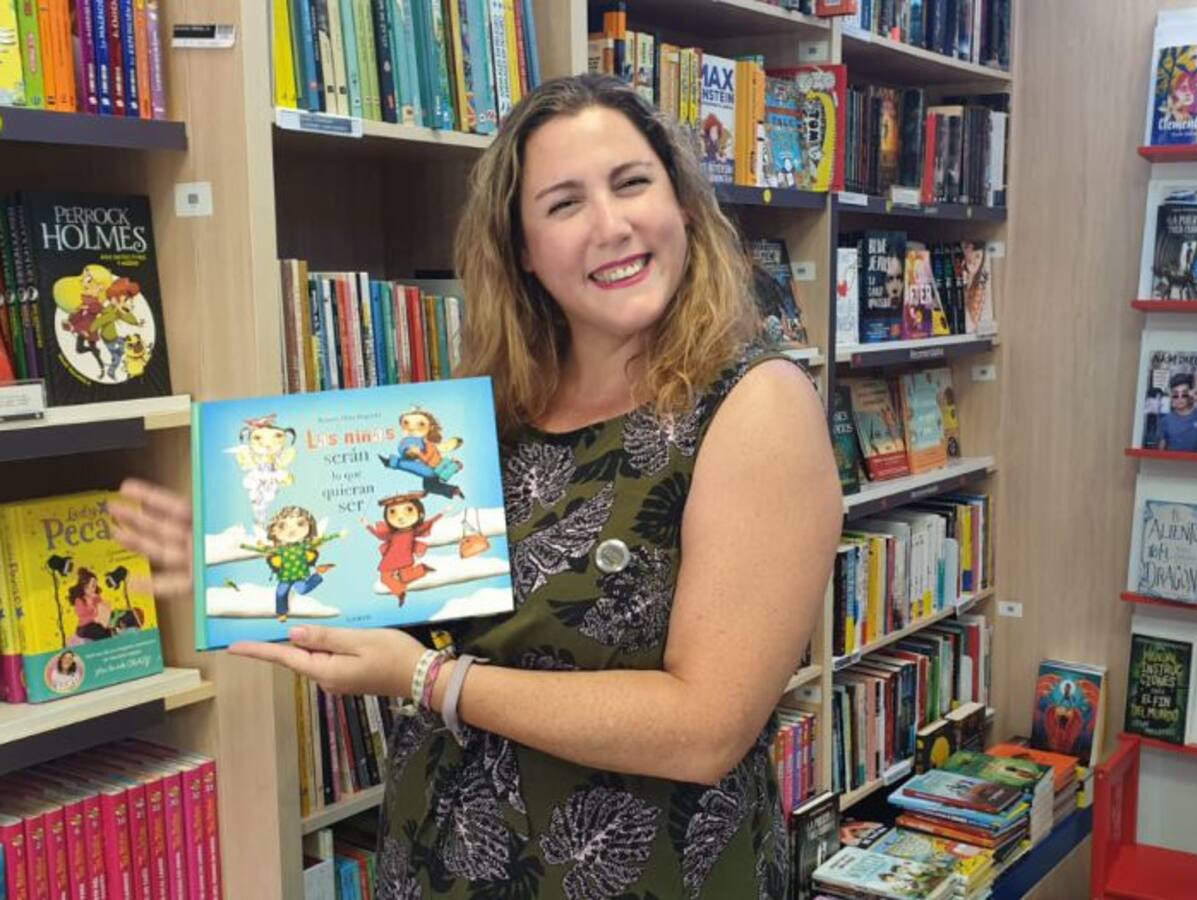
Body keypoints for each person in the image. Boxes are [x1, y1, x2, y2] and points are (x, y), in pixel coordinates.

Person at [111, 74, 842, 897]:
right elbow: (412, 598)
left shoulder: (756, 405)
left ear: (681, 205)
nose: (611, 225)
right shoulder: (495, 411)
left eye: (633, 183)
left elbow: (706, 728)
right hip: (439, 864)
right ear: (523, 249)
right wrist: (247, 554)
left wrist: (428, 681)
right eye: (564, 204)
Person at [1158, 373, 1197, 452]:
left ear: (1190, 394)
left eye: (1184, 394)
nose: (1180, 398)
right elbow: (1160, 452)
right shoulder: (1165, 421)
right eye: (1175, 394)